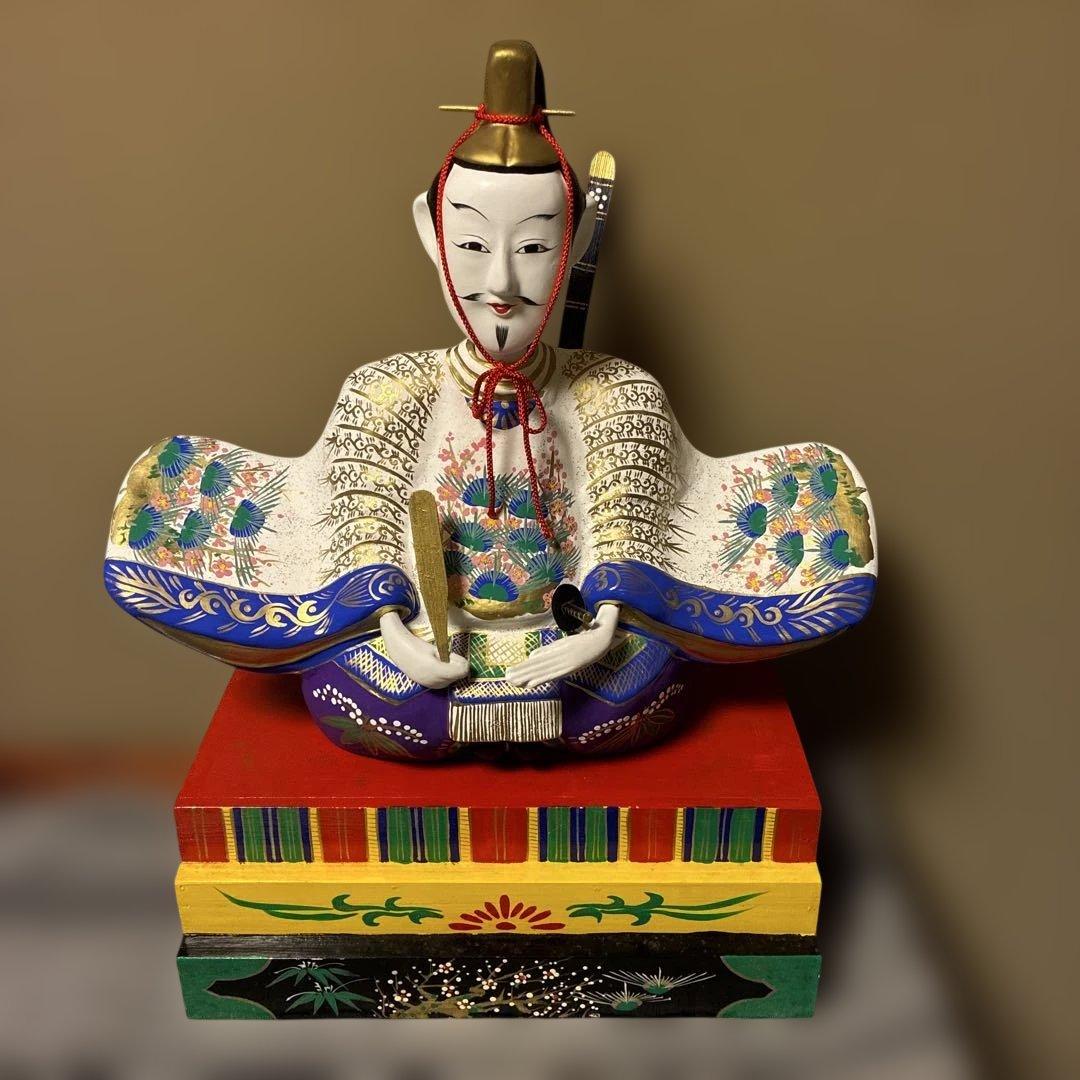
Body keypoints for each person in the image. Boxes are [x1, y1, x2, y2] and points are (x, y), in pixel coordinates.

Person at [104, 41, 876, 759]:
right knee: (351, 686)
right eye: (473, 245)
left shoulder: (617, 391)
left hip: (569, 638)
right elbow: (360, 525)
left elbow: (630, 526)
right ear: (430, 233)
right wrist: (398, 636)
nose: (501, 282)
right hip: (432, 635)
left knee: (644, 676)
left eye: (534, 247)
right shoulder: (386, 390)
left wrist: (600, 631)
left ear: (574, 241)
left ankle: (538, 701)